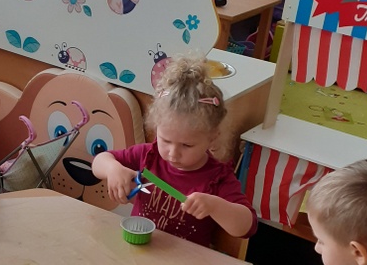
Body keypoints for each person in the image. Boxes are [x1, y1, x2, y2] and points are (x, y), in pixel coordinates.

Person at [92, 56, 256, 247]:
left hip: (185, 260)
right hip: (141, 250)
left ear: (212, 137)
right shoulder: (149, 155)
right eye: (166, 140)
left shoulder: (217, 177)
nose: (172, 153)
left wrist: (215, 206)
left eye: (187, 145)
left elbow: (247, 227)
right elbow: (99, 161)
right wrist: (112, 169)